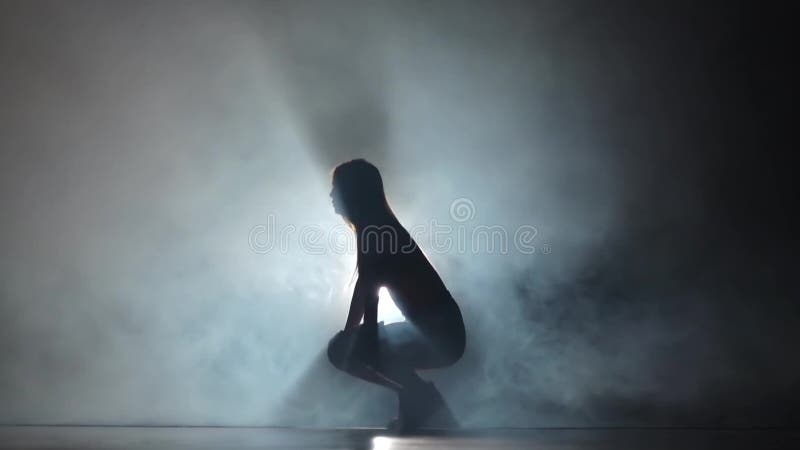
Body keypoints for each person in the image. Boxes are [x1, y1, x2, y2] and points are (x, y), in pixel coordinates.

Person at [326, 159, 466, 432]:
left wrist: (358, 340)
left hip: (441, 333)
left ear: (353, 192)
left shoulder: (377, 231)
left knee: (341, 350)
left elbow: (369, 292)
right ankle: (418, 400)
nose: (331, 196)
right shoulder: (377, 228)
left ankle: (422, 398)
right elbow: (366, 289)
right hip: (441, 331)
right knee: (347, 348)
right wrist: (356, 337)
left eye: (336, 188)